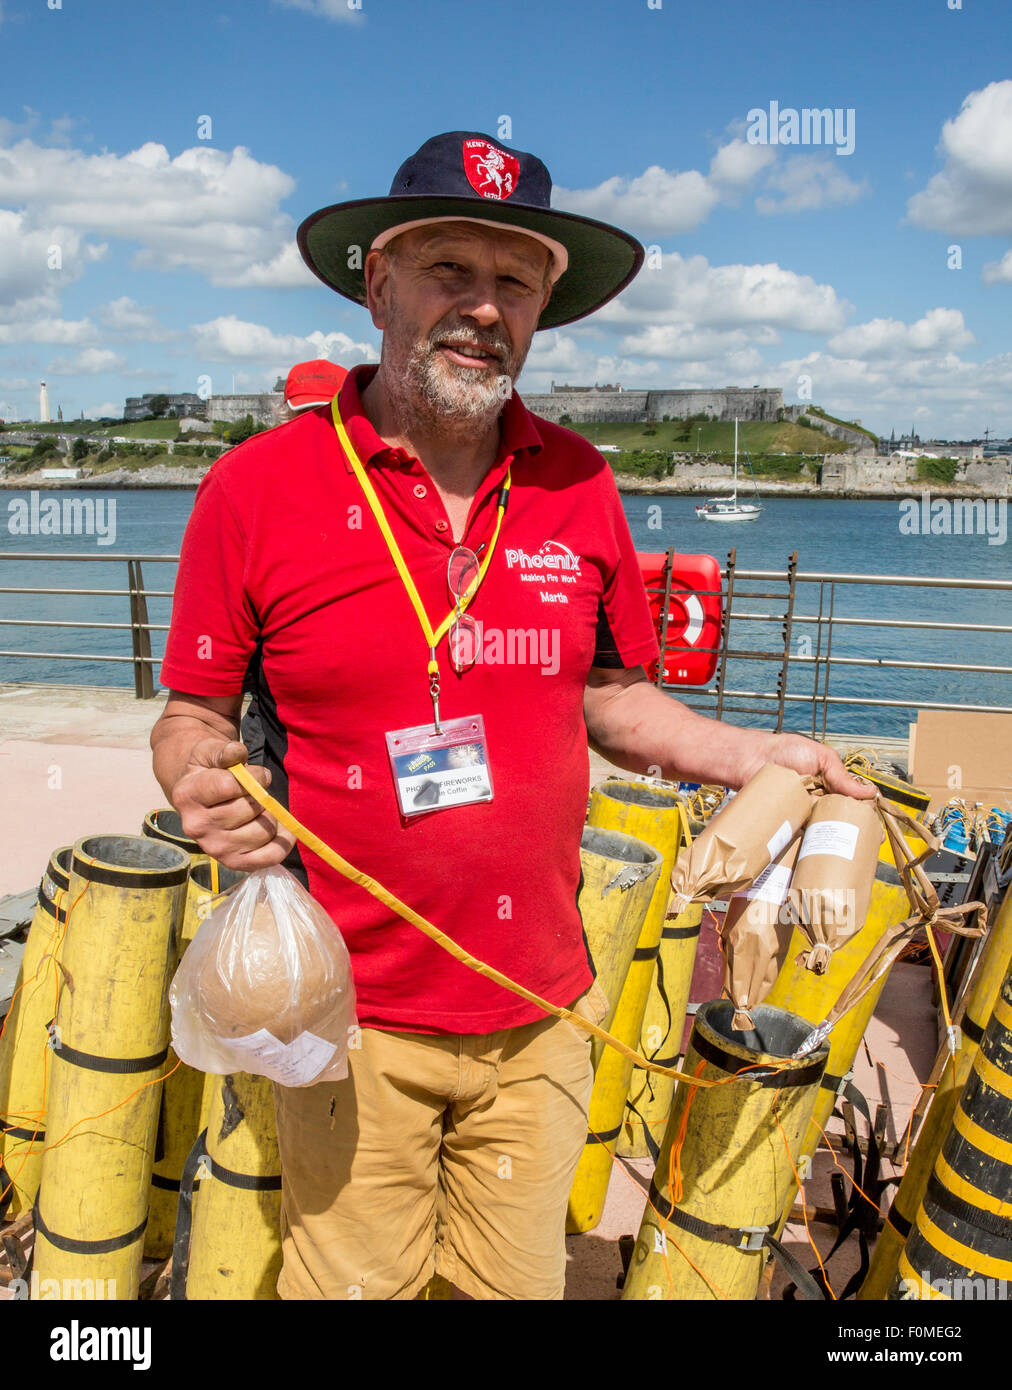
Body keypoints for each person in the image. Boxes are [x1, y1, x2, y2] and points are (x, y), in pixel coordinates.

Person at [151, 130, 873, 1301]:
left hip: (542, 999)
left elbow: (615, 696)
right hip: (351, 1007)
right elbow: (191, 715)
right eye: (449, 270)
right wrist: (200, 782)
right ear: (376, 282)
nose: (482, 307)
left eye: (514, 282)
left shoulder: (576, 478)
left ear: (543, 308)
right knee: (352, 1287)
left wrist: (759, 754)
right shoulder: (259, 485)